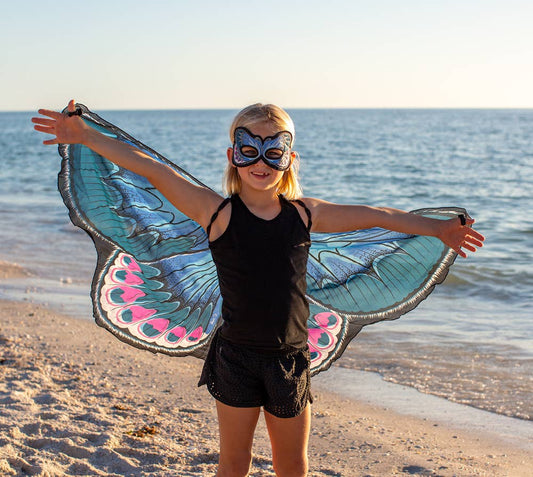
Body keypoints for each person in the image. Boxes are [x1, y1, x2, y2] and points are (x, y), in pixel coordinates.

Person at [32, 100, 484, 477]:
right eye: (250, 149)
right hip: (235, 358)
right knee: (234, 463)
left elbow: (379, 215)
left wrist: (437, 229)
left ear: (290, 159)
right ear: (233, 155)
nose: (261, 163)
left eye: (274, 151)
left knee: (292, 465)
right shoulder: (216, 213)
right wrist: (85, 136)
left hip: (289, 358)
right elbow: (150, 169)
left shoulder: (306, 215)